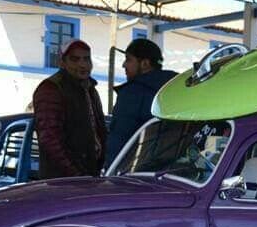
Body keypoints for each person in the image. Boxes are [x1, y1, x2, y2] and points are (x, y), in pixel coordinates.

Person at [32, 39, 107, 179]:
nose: (83, 64)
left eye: (86, 59)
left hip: (89, 176)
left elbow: (99, 131)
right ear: (62, 62)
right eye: (75, 59)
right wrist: (76, 174)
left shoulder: (90, 89)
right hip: (62, 181)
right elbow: (50, 139)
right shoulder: (51, 89)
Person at [105, 38, 178, 164]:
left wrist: (110, 172)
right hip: (168, 170)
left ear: (145, 64)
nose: (124, 65)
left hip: (134, 170)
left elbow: (119, 140)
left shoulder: (132, 93)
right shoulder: (174, 89)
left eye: (128, 59)